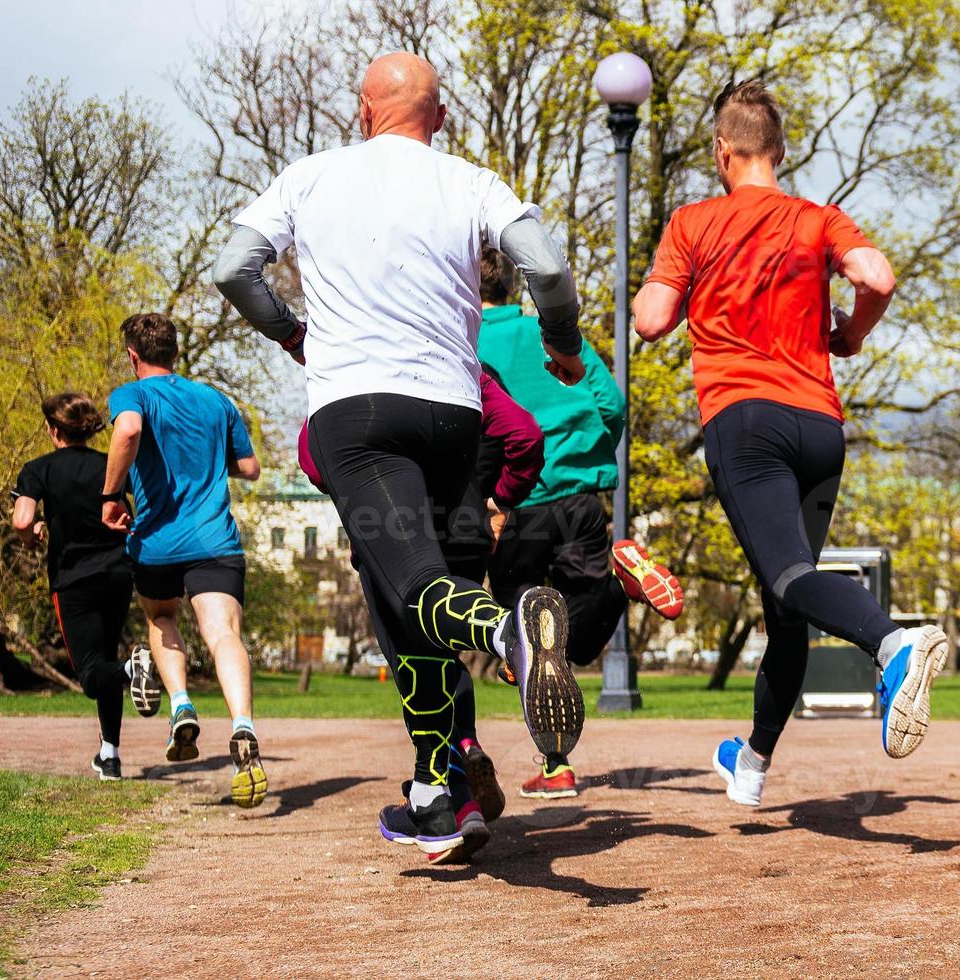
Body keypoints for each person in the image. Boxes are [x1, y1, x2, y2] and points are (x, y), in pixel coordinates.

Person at [211, 51, 588, 862]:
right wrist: (563, 345)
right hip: (455, 417)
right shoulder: (470, 181)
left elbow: (231, 267)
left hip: (360, 414)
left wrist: (287, 332)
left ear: (362, 110)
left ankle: (509, 636)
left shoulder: (309, 176)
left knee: (414, 586)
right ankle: (434, 793)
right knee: (415, 597)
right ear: (439, 118)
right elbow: (549, 269)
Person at [630, 80, 949, 809]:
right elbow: (875, 274)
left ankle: (892, 643)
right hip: (819, 427)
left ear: (722, 152)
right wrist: (852, 333)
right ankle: (751, 761)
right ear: (778, 151)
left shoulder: (692, 222)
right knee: (787, 603)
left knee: (784, 579)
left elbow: (650, 321)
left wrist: (664, 289)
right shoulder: (816, 218)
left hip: (745, 420)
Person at [295, 366, 544, 837]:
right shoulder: (467, 369)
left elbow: (315, 454)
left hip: (390, 531)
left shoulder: (351, 367)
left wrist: (358, 479)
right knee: (443, 649)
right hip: (466, 529)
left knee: (420, 662)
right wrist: (501, 501)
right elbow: (525, 435)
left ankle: (447, 801)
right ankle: (456, 770)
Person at [476, 245, 685, 801]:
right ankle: (621, 582)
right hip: (583, 499)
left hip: (518, 501)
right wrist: (589, 455)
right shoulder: (549, 334)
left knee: (523, 638)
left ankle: (556, 765)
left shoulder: (466, 341)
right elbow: (611, 404)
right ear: (511, 290)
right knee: (573, 636)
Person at [98, 313, 268, 807]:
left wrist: (111, 495)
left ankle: (181, 705)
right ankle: (242, 725)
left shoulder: (131, 395)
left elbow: (128, 431)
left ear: (133, 356)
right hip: (216, 541)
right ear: (176, 351)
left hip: (157, 544)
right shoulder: (216, 400)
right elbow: (251, 469)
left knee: (163, 617)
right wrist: (210, 459)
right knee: (224, 636)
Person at [16, 392, 159, 780]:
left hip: (73, 578)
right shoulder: (110, 466)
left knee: (93, 674)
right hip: (117, 573)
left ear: (53, 429)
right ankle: (109, 756)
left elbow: (21, 520)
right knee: (105, 659)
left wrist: (33, 535)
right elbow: (138, 508)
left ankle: (133, 669)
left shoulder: (38, 469)